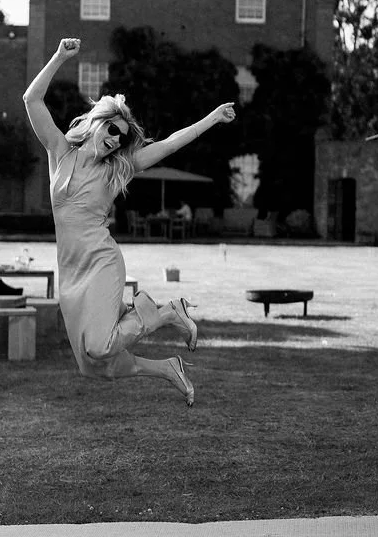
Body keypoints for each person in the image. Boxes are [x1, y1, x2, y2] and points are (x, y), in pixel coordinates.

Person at [23, 37, 236, 406]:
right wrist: (58, 57)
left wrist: (212, 119)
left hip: (102, 261)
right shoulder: (59, 151)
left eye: (121, 137)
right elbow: (31, 100)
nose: (116, 140)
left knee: (100, 345)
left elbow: (169, 143)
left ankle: (170, 312)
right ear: (96, 123)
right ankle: (169, 368)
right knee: (92, 364)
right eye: (112, 130)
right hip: (71, 270)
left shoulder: (117, 169)